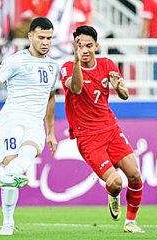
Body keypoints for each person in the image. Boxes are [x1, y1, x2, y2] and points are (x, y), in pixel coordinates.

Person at [0, 17, 58, 236]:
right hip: (11, 120)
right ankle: (8, 221)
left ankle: (12, 174)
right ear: (30, 37)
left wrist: (51, 131)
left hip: (35, 123)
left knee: (22, 160)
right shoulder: (17, 60)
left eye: (49, 38)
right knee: (12, 165)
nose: (46, 42)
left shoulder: (53, 66)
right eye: (41, 37)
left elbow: (50, 97)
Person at [60, 26, 144, 233]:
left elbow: (124, 95)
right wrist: (77, 61)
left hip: (111, 129)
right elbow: (76, 88)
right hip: (88, 137)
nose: (85, 49)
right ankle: (113, 194)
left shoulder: (107, 64)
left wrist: (119, 88)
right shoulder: (67, 67)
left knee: (134, 176)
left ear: (97, 45)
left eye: (89, 45)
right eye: (80, 46)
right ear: (75, 46)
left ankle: (130, 223)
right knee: (115, 182)